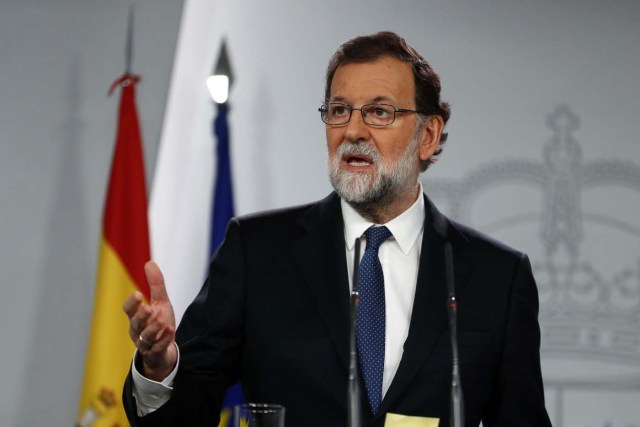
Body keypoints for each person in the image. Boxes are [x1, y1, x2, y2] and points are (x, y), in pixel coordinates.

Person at [122, 31, 552, 426]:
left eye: (379, 112)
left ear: (428, 135)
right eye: (339, 110)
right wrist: (160, 367)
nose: (352, 131)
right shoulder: (257, 253)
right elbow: (185, 415)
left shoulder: (496, 276)